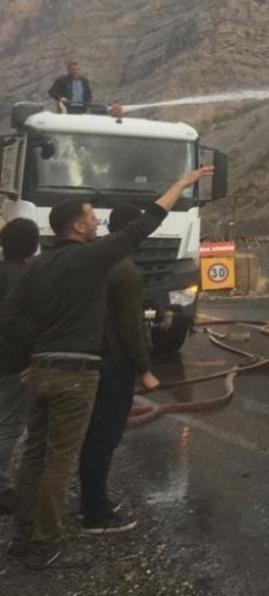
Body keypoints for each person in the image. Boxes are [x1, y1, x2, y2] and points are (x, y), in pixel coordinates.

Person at [1, 166, 212, 570]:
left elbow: (8, 318)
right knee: (61, 461)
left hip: (41, 370)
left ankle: (21, 539)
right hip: (74, 375)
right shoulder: (92, 257)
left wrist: (37, 352)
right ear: (77, 227)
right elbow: (145, 224)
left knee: (33, 458)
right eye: (90, 216)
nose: (97, 220)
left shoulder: (38, 265)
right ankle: (47, 545)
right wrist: (181, 185)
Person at [77, 204, 161, 534]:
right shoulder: (126, 271)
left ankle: (88, 502)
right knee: (104, 436)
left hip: (87, 358)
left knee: (89, 433)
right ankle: (95, 512)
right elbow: (130, 328)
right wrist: (145, 369)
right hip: (113, 364)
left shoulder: (91, 261)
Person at [0, 218, 39, 515]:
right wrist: (33, 359)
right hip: (12, 363)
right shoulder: (26, 278)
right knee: (10, 424)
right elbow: (23, 325)